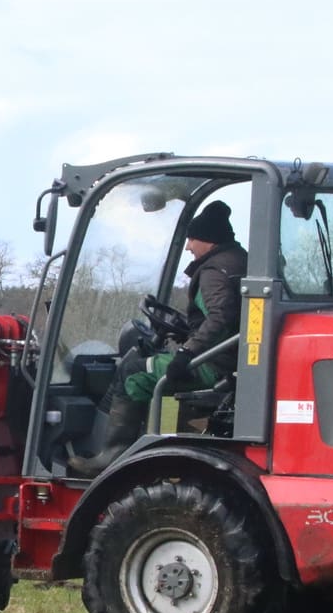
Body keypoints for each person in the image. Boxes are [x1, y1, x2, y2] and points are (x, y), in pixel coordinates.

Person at [70, 200, 248, 478]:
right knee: (154, 373)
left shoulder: (214, 272)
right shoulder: (238, 260)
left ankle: (111, 455)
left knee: (133, 372)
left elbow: (220, 317)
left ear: (209, 241)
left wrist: (187, 352)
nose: (189, 246)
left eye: (192, 239)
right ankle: (153, 450)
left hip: (214, 365)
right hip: (231, 361)